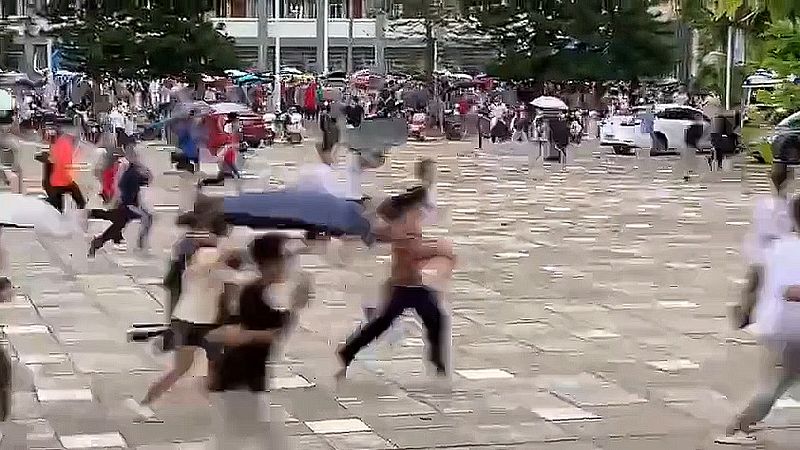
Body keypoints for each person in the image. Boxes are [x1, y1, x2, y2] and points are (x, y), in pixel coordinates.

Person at [336, 186, 455, 379]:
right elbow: (414, 250)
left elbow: (392, 236)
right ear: (419, 204)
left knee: (434, 319)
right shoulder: (409, 222)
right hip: (405, 287)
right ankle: (346, 353)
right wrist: (440, 249)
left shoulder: (405, 220)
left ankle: (438, 365)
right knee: (385, 324)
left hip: (410, 285)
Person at [210, 234, 311, 448]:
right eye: (284, 260)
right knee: (250, 437)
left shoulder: (265, 292)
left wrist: (296, 305)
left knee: (245, 435)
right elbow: (270, 334)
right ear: (269, 264)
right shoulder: (255, 292)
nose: (288, 266)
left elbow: (273, 332)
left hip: (251, 373)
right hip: (239, 376)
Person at [717, 195, 800, 445]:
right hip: (789, 330)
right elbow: (790, 290)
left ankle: (741, 424)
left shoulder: (782, 245)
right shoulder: (791, 251)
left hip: (782, 326)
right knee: (774, 385)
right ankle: (737, 428)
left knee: (780, 382)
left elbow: (757, 276)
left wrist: (746, 307)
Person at [88, 149, 153, 256]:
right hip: (130, 206)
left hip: (126, 205)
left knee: (117, 224)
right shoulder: (133, 173)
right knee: (147, 218)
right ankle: (141, 243)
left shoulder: (129, 171)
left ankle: (97, 241)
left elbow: (123, 185)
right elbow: (148, 179)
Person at [47, 129, 86, 213]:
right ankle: (80, 216)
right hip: (63, 180)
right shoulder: (65, 144)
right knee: (80, 201)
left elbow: (54, 159)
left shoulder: (58, 143)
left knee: (57, 206)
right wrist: (68, 177)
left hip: (55, 180)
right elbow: (63, 163)